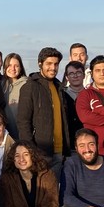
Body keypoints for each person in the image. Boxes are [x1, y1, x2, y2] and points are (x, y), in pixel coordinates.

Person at [16, 47, 70, 176]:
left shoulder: (59, 87)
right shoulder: (30, 87)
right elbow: (23, 122)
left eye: (56, 64)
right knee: (39, 193)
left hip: (59, 152)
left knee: (53, 193)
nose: (53, 67)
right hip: (40, 154)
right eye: (49, 64)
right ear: (40, 64)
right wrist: (31, 151)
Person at [1, 53, 28, 140]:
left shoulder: (27, 84)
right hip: (6, 136)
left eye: (16, 66)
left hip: (22, 135)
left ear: (20, 68)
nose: (12, 69)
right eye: (9, 65)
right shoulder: (1, 85)